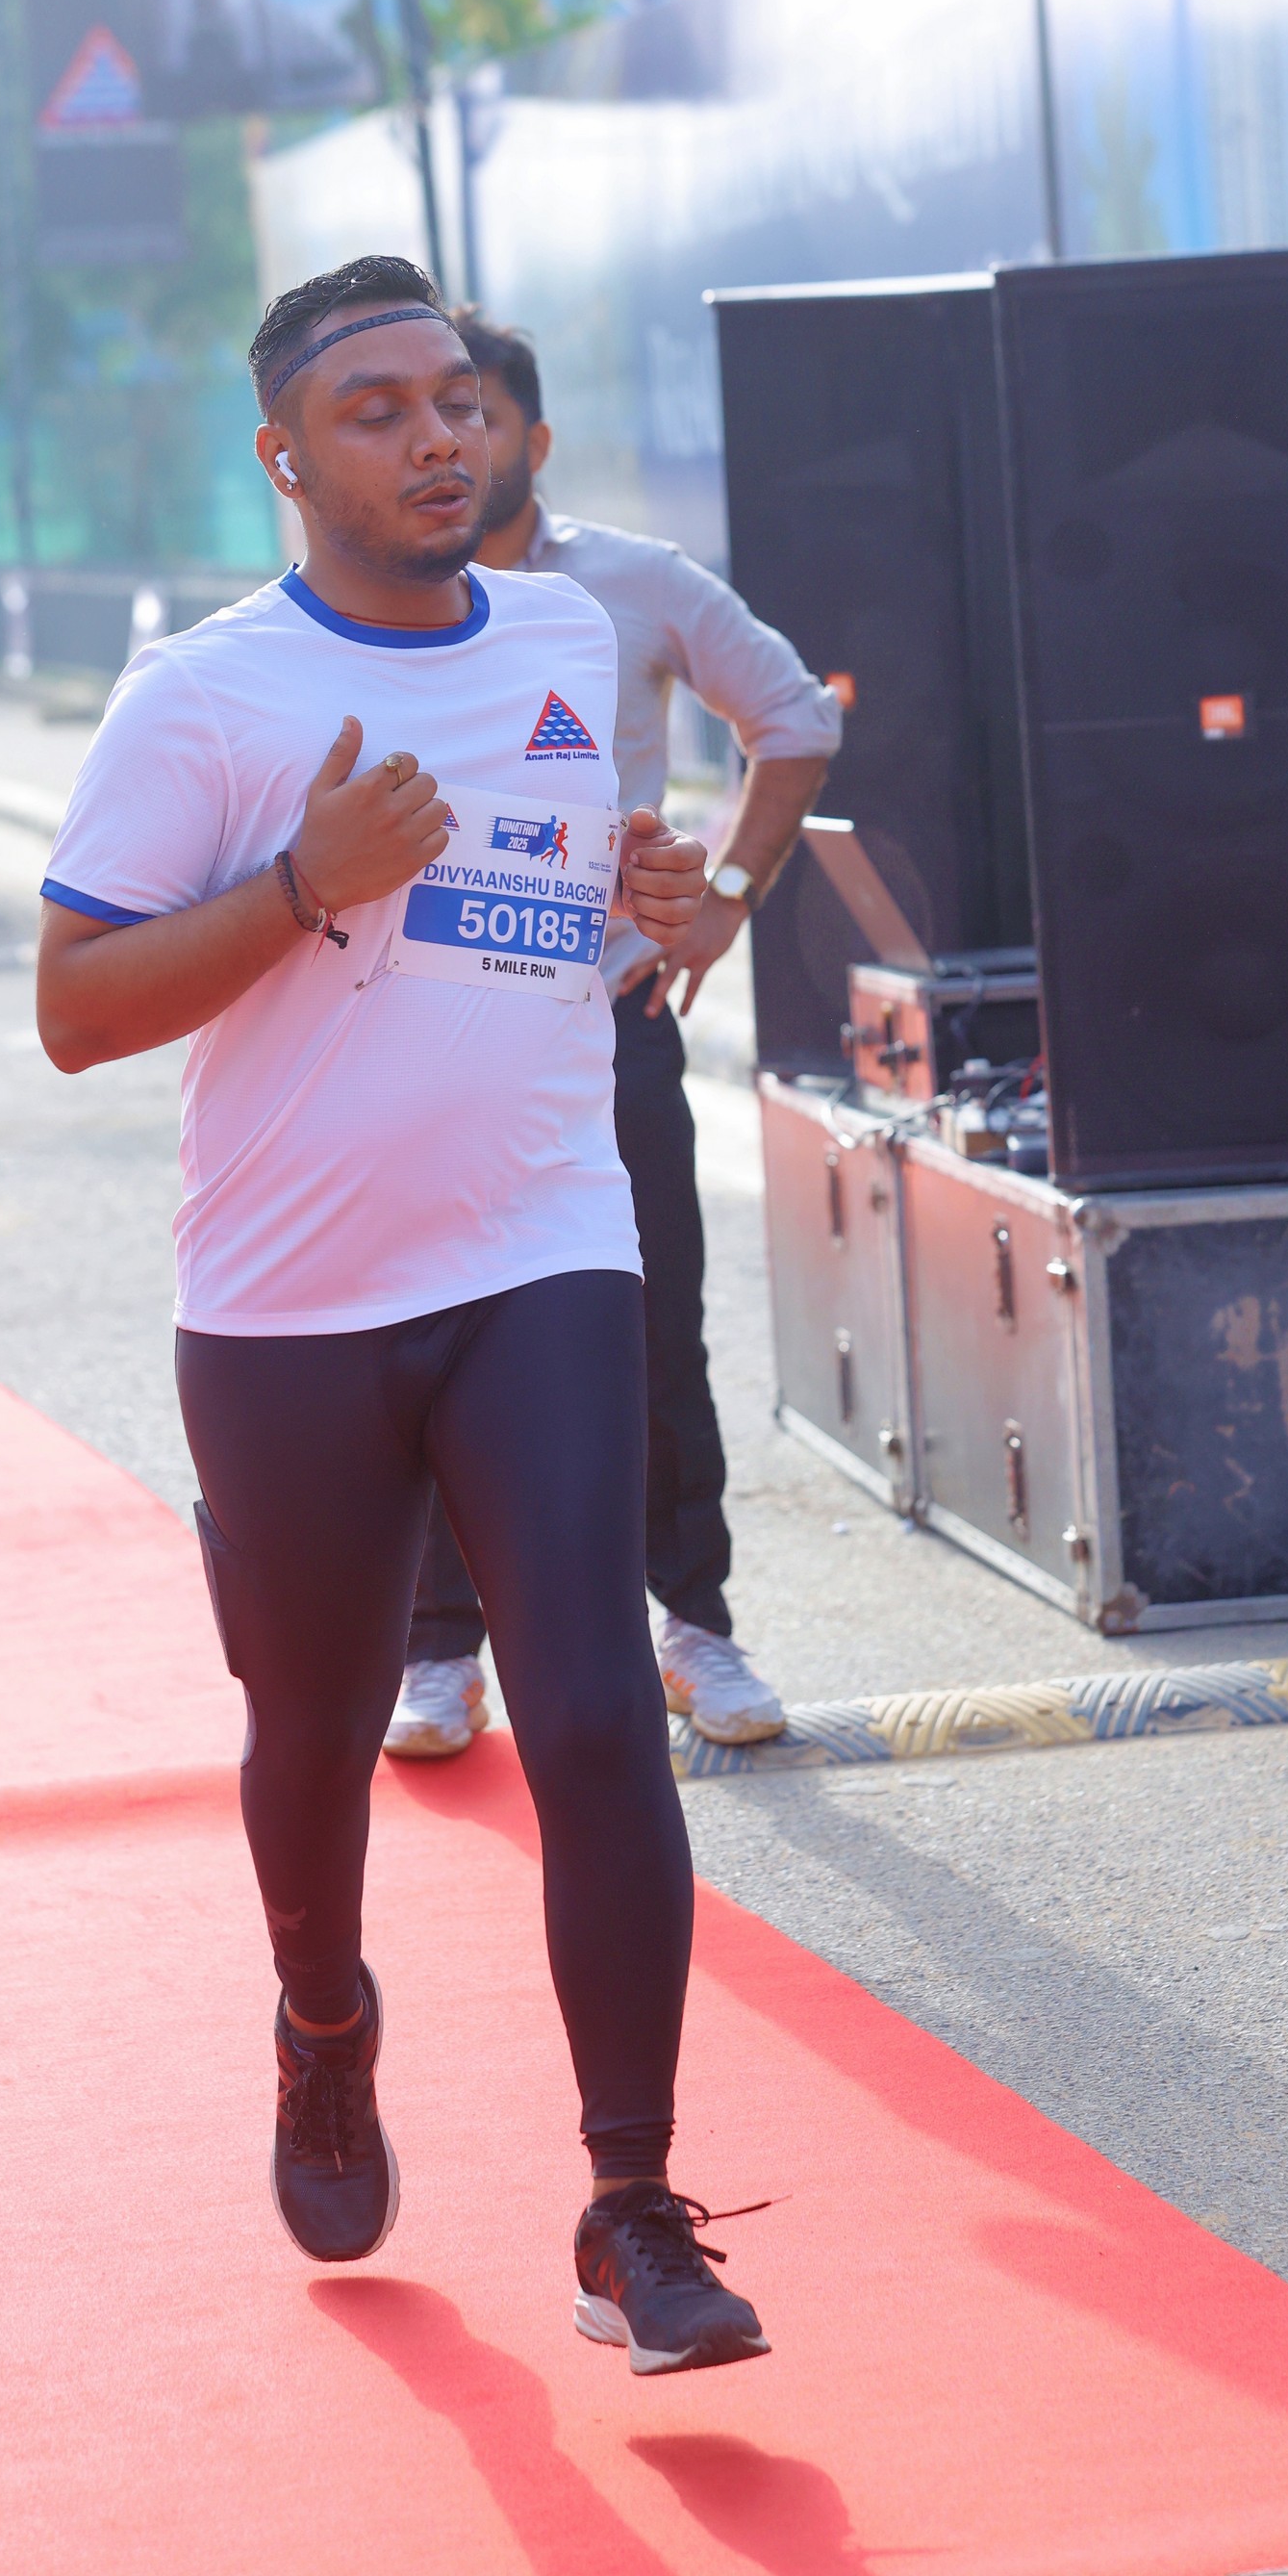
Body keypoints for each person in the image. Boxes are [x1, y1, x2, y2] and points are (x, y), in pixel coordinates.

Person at [34, 254, 770, 2377]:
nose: (440, 435)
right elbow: (75, 1011)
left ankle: (630, 2209)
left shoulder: (558, 635)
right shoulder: (203, 698)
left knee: (595, 1710)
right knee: (314, 1735)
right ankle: (324, 2021)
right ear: (285, 458)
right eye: (379, 410)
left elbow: (547, 904)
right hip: (288, 1301)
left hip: (542, 1246)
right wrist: (301, 886)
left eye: (457, 397)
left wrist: (653, 900)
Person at [384, 311, 842, 1765]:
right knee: (431, 1334)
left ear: (532, 436)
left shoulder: (633, 586)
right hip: (432, 1035)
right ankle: (439, 1651)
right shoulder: (374, 600)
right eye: (416, 419)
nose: (448, 445)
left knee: (651, 1330)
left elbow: (794, 718)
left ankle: (695, 1625)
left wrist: (727, 899)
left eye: (473, 413)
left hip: (610, 1027)